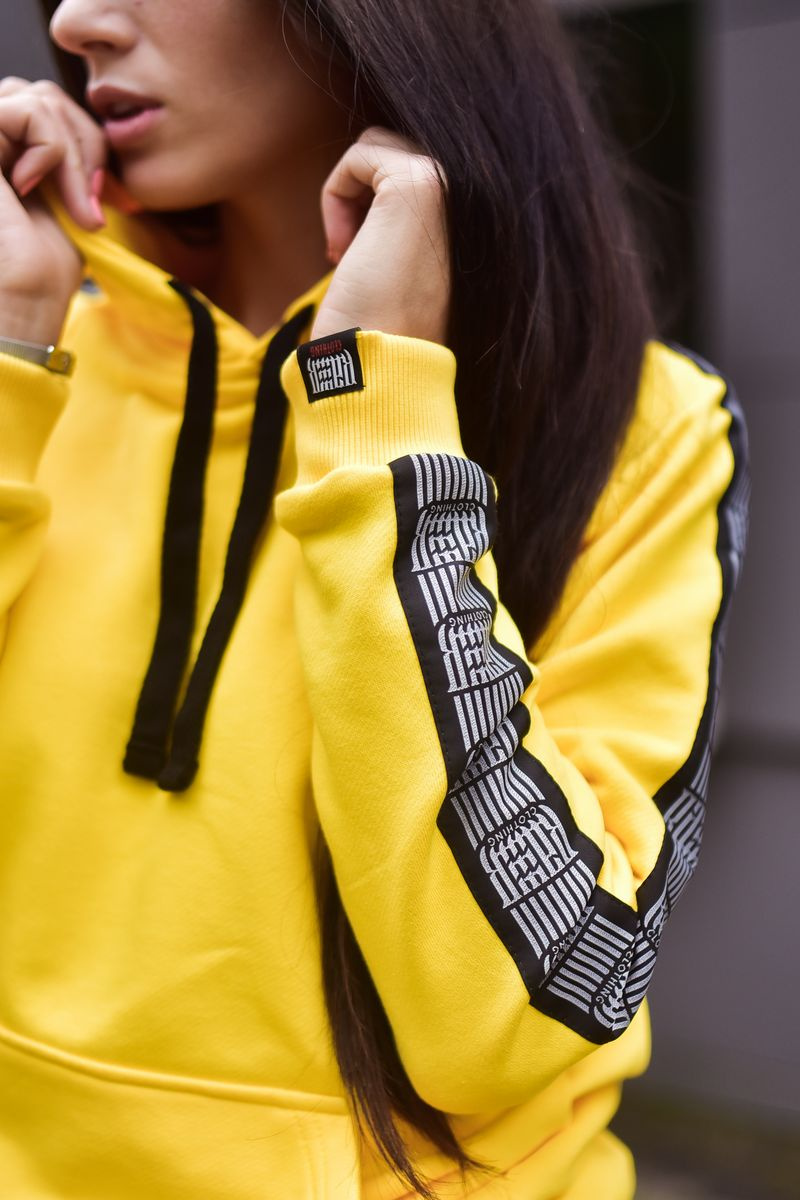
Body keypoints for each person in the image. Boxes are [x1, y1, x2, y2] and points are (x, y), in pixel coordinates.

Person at [0, 1, 749, 1197]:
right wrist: (10, 356)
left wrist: (379, 415)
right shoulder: (35, 354)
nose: (79, 19)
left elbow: (521, 1013)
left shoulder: (643, 430)